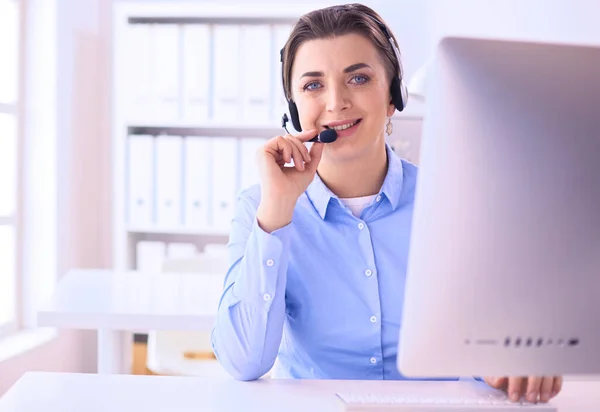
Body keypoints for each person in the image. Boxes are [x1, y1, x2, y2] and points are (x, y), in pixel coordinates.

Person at [211, 3, 562, 404]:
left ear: (394, 94)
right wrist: (276, 213)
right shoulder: (260, 205)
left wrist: (513, 361)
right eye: (312, 85)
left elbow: (500, 338)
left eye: (358, 78)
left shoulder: (457, 201)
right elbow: (243, 362)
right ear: (293, 109)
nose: (336, 102)